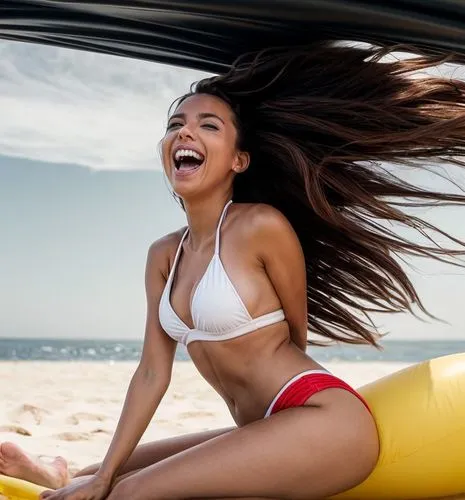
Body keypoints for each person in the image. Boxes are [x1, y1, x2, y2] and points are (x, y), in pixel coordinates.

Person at [2, 41, 465, 500]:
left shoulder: (261, 225)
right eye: (175, 125)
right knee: (104, 471)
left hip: (325, 419)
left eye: (208, 125)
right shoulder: (163, 255)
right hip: (267, 424)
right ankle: (62, 477)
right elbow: (151, 374)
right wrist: (103, 477)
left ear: (238, 160)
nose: (185, 133)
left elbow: (295, 335)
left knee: (133, 492)